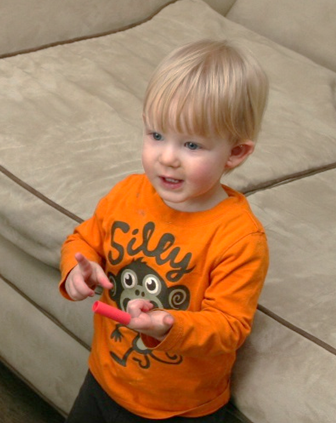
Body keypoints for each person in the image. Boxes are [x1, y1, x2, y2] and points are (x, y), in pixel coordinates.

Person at [59, 39, 269, 423]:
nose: (167, 157)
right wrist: (78, 269)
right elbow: (85, 238)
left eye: (191, 144)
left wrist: (168, 324)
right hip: (104, 379)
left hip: (179, 409)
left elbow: (229, 326)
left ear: (235, 153)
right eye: (156, 135)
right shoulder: (127, 193)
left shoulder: (239, 237)